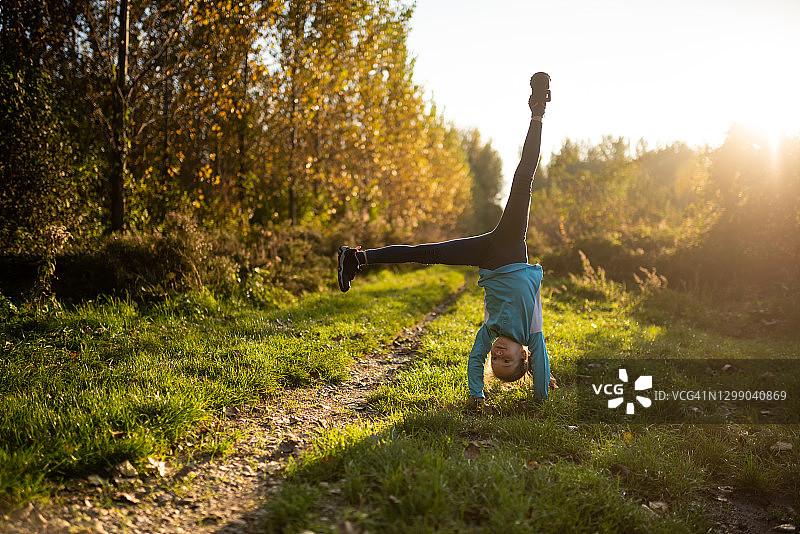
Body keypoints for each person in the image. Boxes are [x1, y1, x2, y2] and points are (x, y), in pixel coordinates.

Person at [337, 72, 552, 406]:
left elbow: (474, 360)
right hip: (511, 248)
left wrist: (477, 396)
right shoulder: (532, 334)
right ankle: (538, 110)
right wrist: (540, 398)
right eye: (506, 360)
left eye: (496, 362)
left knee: (425, 253)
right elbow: (542, 368)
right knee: (523, 178)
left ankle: (356, 258)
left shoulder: (490, 333)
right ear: (525, 355)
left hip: (487, 257)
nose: (497, 356)